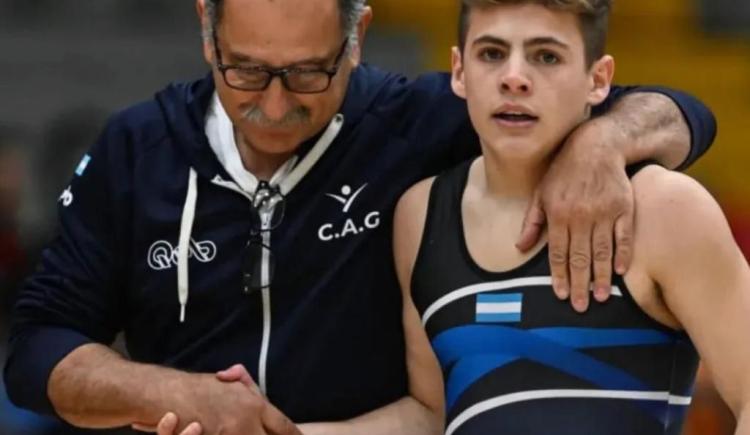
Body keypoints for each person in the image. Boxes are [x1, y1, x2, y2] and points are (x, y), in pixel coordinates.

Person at [4, 0, 717, 433]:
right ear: (205, 29)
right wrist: (172, 392)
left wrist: (602, 143)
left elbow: (677, 110)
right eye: (246, 70)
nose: (275, 106)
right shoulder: (139, 148)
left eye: (310, 73)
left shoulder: (421, 121)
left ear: (358, 35)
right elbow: (36, 346)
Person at [394, 1, 750, 434]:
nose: (514, 78)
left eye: (547, 56)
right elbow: (430, 418)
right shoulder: (419, 216)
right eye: (491, 53)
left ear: (598, 80)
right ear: (459, 71)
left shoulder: (664, 207)